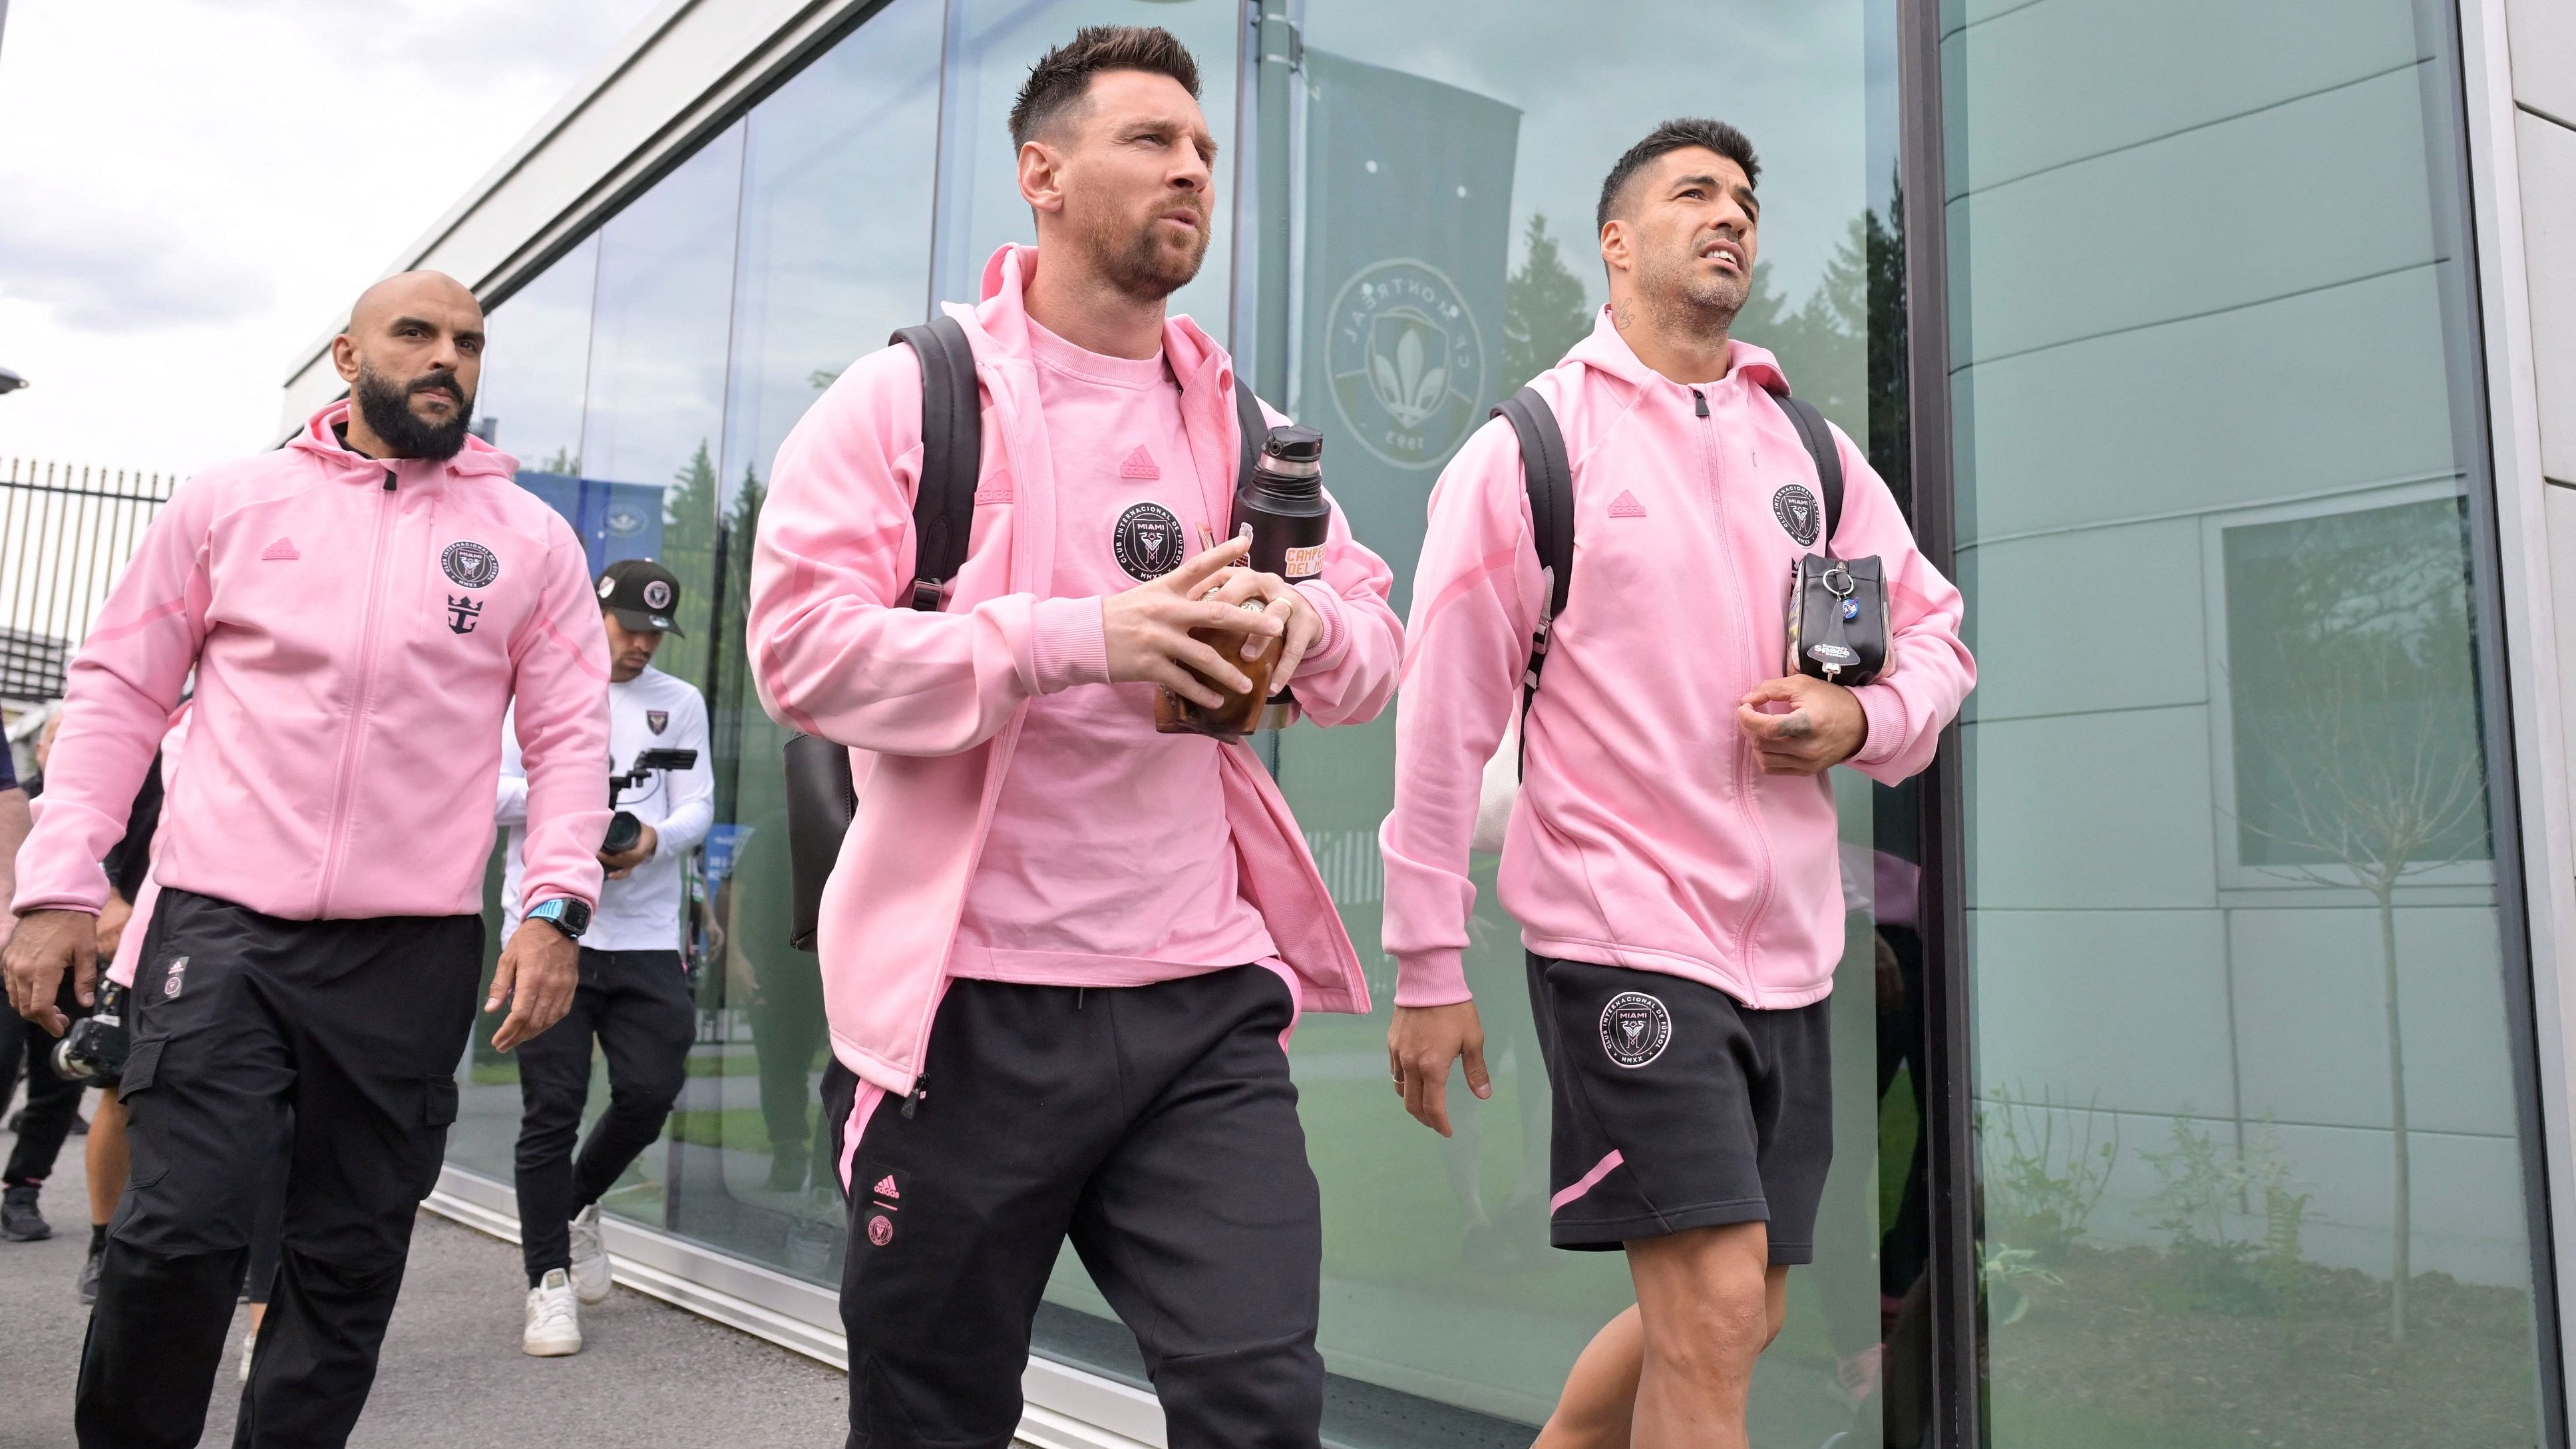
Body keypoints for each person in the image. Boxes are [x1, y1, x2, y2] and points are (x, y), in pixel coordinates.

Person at [747, 26, 1401, 1448]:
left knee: (1259, 1405)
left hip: (1196, 1002)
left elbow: (1368, 644)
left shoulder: (1249, 428)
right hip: (965, 1011)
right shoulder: (908, 399)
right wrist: (1072, 638)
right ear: (1040, 173)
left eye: (1206, 151)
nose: (1191, 171)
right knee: (933, 1417)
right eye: (1151, 141)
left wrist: (1311, 634)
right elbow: (797, 653)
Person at [1379, 118, 1974, 1449]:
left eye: (1747, 201)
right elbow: (1441, 733)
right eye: (1694, 193)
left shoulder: (1808, 457)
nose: (1731, 216)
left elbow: (1937, 636)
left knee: (1740, 1309)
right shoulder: (1531, 452)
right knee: (1709, 1308)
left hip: (1791, 953)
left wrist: (1855, 712)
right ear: (1617, 241)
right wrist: (1426, 963)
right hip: (1622, 938)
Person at [5, 270, 612, 1449]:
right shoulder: (233, 503)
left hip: (410, 947)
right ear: (348, 356)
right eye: (417, 334)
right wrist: (59, 885)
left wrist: (556, 905)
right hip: (223, 929)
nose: (447, 358)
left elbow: (570, 739)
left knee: (347, 1254)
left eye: (469, 342)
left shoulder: (528, 539)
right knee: (177, 1234)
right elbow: (119, 696)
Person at [498, 557, 712, 1356]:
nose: (642, 646)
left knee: (651, 1090)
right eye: (630, 627)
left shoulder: (678, 702)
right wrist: (577, 806)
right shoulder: (539, 688)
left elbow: (699, 805)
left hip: (649, 934)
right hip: (555, 931)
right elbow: (486, 788)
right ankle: (545, 1283)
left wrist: (652, 838)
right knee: (550, 1109)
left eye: (656, 633)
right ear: (596, 612)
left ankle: (575, 1205)